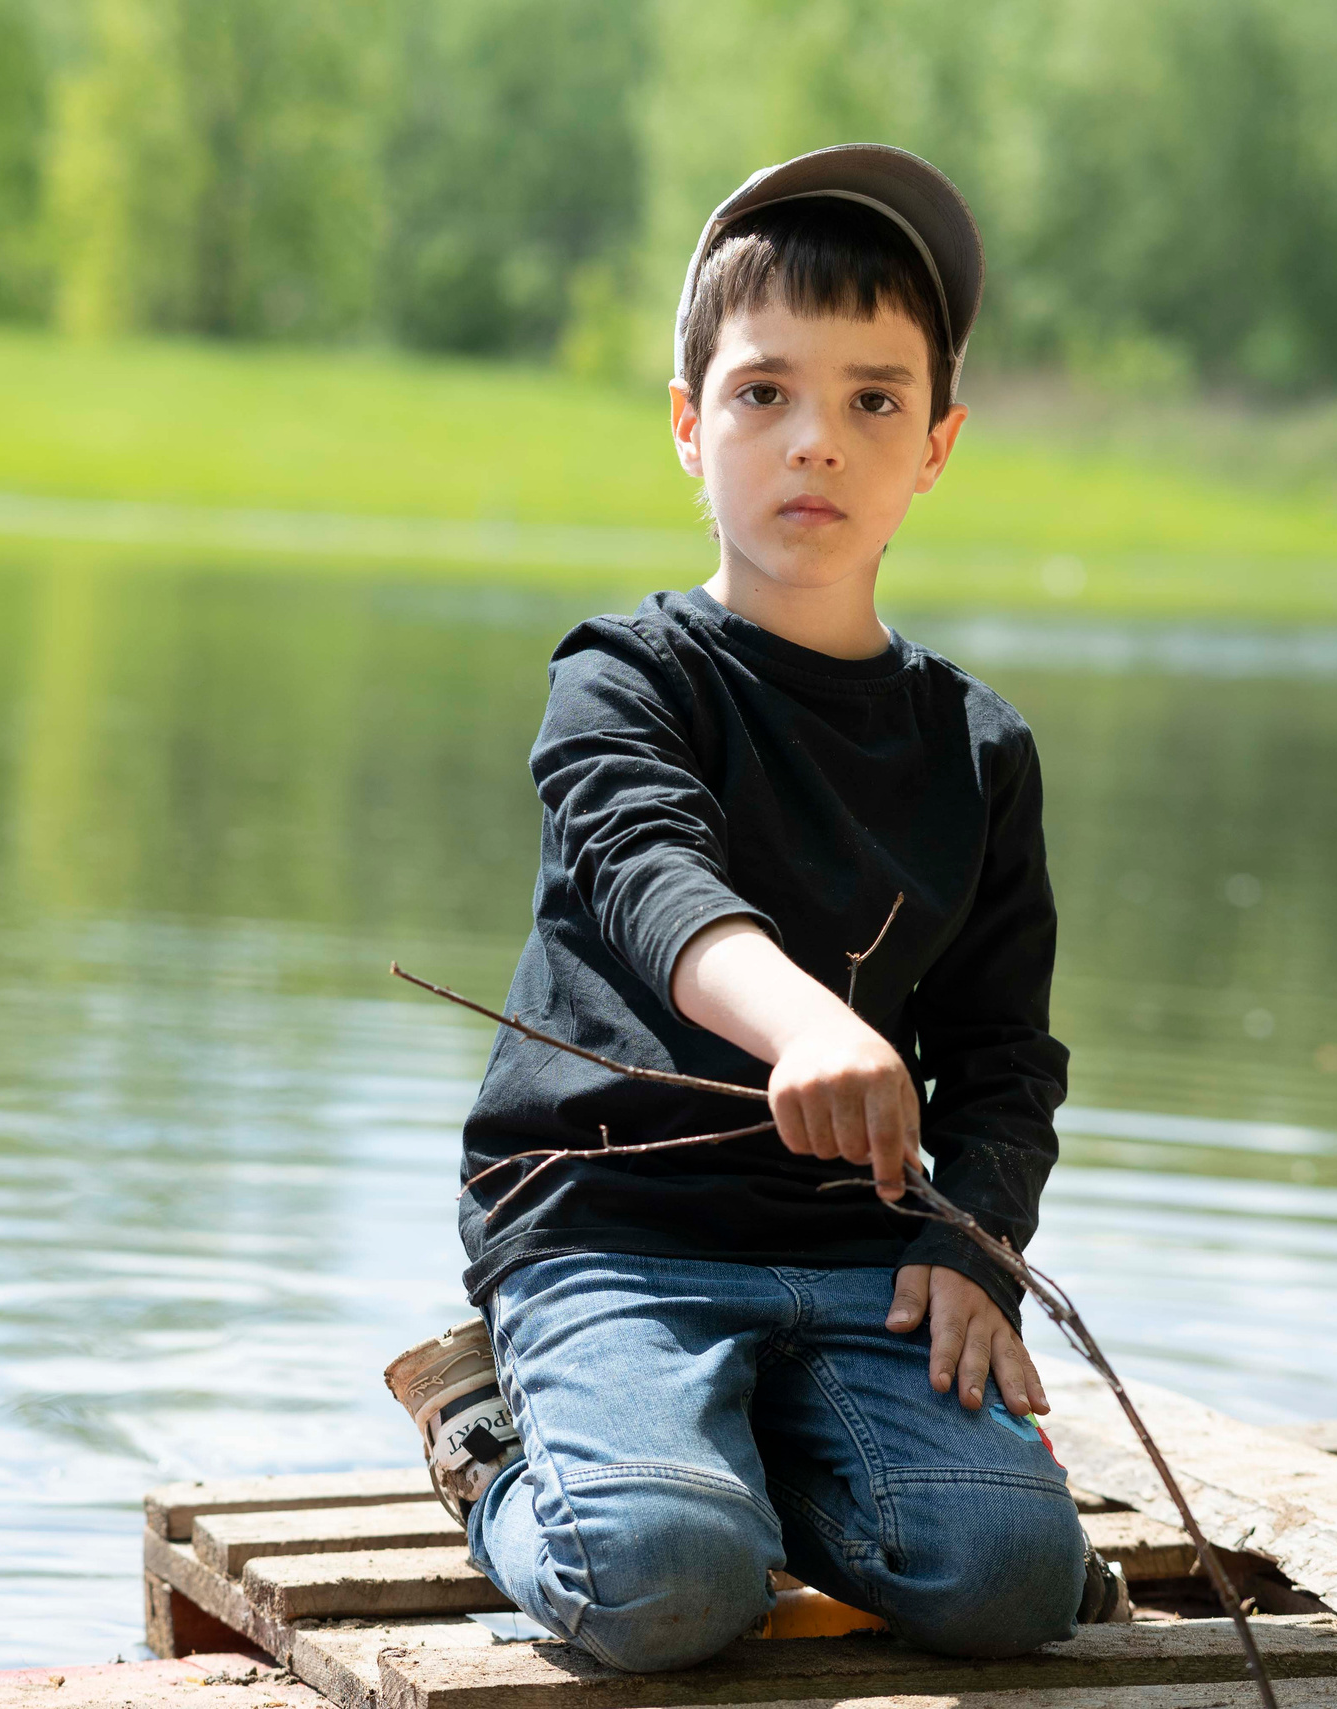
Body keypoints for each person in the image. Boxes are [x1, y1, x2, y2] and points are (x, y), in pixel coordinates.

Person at [383, 144, 1126, 1673]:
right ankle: (494, 1438)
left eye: (875, 400)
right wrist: (807, 1024)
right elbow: (658, 883)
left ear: (937, 445)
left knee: (1009, 1580)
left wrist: (977, 1239)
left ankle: (777, 1457)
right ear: (688, 424)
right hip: (609, 1232)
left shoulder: (979, 749)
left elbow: (1003, 1055)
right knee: (661, 1578)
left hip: (859, 1263)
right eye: (763, 393)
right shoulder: (622, 680)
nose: (817, 444)